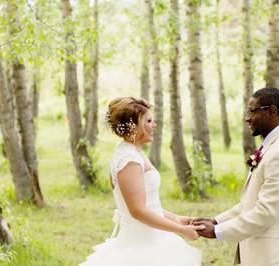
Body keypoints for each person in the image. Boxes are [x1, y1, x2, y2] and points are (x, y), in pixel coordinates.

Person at [80, 97, 202, 266]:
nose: (154, 125)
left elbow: (150, 204)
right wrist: (181, 230)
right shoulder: (128, 159)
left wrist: (177, 219)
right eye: (149, 121)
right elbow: (138, 210)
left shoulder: (133, 151)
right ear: (133, 125)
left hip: (153, 237)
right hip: (141, 245)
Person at [194, 87, 279, 266]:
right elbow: (249, 204)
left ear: (272, 111)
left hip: (273, 256)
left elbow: (265, 212)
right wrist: (216, 220)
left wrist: (217, 231)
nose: (247, 118)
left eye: (252, 111)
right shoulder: (270, 147)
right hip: (258, 251)